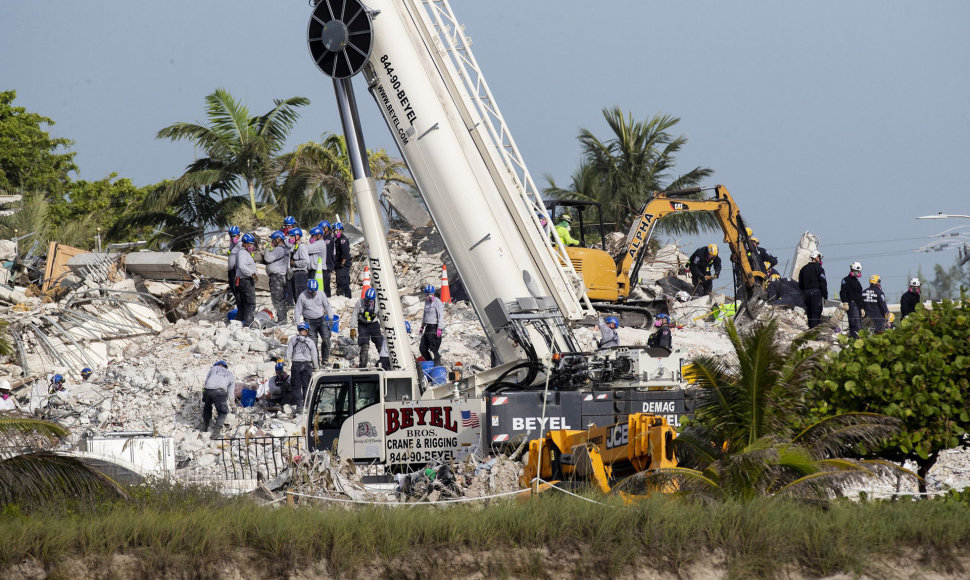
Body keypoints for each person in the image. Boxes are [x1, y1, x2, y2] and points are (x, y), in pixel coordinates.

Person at [294, 279, 334, 364]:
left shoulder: (321, 294)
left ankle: (325, 359)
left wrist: (331, 318)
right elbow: (298, 310)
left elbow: (327, 306)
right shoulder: (302, 296)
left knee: (326, 339)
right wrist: (298, 324)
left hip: (321, 319)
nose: (313, 293)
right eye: (311, 292)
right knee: (313, 341)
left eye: (314, 292)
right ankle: (316, 362)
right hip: (309, 321)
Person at [286, 322, 318, 411]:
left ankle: (299, 405)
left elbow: (288, 353)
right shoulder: (310, 341)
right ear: (307, 330)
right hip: (307, 365)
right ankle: (307, 405)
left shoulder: (293, 340)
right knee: (307, 386)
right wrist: (316, 367)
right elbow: (314, 355)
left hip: (296, 365)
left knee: (296, 386)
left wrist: (286, 362)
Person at [350, 287, 385, 368]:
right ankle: (363, 365)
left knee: (380, 343)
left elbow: (381, 315)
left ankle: (384, 362)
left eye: (370, 301)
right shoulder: (359, 303)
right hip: (363, 325)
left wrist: (384, 327)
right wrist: (352, 328)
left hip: (374, 324)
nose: (368, 302)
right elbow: (355, 315)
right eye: (367, 300)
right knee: (364, 345)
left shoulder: (378, 303)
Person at [202, 361, 235, 439]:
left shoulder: (213, 369)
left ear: (219, 365)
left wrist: (204, 396)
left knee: (207, 407)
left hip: (207, 390)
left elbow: (206, 382)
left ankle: (204, 428)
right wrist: (233, 405)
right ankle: (215, 434)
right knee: (222, 412)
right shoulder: (230, 374)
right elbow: (231, 392)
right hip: (220, 392)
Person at [264, 230, 291, 323]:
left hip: (277, 277)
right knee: (279, 298)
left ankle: (282, 320)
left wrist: (267, 250)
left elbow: (268, 258)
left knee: (277, 298)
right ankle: (282, 318)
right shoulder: (284, 248)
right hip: (280, 276)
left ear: (278, 239)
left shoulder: (279, 249)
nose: (272, 242)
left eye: (273, 240)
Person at [798, 250, 827, 329]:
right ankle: (813, 331)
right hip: (816, 293)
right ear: (816, 257)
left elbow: (800, 283)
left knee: (809, 312)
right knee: (816, 312)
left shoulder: (803, 269)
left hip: (805, 293)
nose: (820, 259)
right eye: (819, 257)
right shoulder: (819, 269)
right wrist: (825, 295)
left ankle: (810, 329)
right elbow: (823, 283)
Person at [234, 233, 259, 326]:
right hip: (245, 281)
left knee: (243, 304)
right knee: (250, 303)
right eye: (250, 244)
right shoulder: (243, 253)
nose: (252, 246)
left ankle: (238, 323)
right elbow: (241, 266)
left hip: (242, 281)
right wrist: (251, 273)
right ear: (245, 244)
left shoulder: (244, 253)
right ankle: (249, 324)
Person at [420, 284, 446, 365]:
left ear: (433, 294)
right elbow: (425, 314)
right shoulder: (427, 302)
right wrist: (422, 326)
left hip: (434, 327)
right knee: (422, 348)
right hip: (428, 327)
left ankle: (437, 365)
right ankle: (430, 362)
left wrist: (439, 328)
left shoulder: (437, 302)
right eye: (427, 295)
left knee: (434, 349)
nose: (429, 296)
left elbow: (441, 315)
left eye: (430, 294)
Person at [839, 261, 865, 338]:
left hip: (857, 305)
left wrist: (862, 307)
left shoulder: (857, 282)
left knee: (858, 325)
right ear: (854, 270)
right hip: (852, 305)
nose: (859, 273)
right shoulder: (846, 280)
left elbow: (860, 296)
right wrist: (845, 302)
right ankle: (855, 340)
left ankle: (857, 339)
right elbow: (842, 292)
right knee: (855, 325)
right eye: (858, 271)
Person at [287, 227, 310, 306]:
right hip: (294, 274)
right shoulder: (294, 246)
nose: (291, 238)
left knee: (300, 295)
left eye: (292, 236)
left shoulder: (302, 247)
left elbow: (306, 261)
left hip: (301, 274)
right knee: (295, 296)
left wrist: (295, 263)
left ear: (297, 236)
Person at [307, 226, 330, 297]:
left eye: (312, 236)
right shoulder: (317, 243)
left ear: (318, 235)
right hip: (315, 270)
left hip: (318, 271)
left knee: (317, 292)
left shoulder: (319, 243)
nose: (311, 238)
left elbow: (306, 249)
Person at [332, 222, 352, 298]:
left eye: (336, 230)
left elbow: (345, 254)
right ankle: (341, 298)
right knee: (339, 284)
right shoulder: (337, 240)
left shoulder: (343, 240)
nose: (334, 232)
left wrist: (342, 264)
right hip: (338, 265)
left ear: (340, 230)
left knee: (344, 284)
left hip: (343, 266)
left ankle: (347, 299)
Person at [226, 225, 242, 314]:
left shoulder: (240, 244)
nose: (232, 238)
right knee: (233, 287)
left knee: (237, 290)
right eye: (231, 236)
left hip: (237, 271)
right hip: (231, 270)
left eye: (233, 236)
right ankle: (239, 309)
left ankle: (241, 310)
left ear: (238, 235)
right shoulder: (232, 243)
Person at [319, 220, 336, 297]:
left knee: (325, 285)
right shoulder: (324, 238)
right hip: (324, 265)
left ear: (326, 228)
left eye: (321, 229)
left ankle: (327, 299)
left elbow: (328, 254)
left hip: (327, 265)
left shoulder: (328, 240)